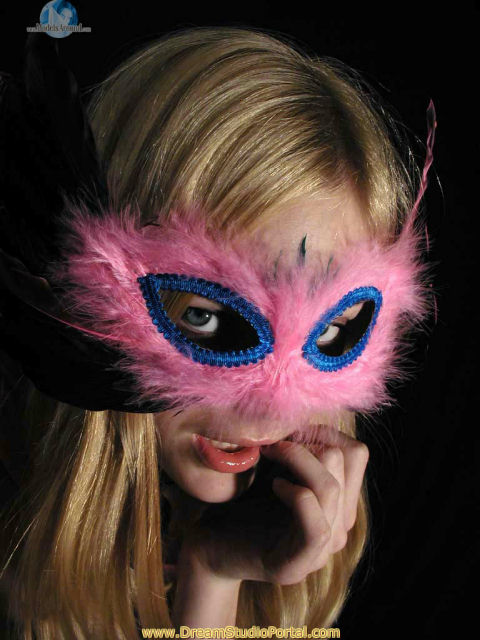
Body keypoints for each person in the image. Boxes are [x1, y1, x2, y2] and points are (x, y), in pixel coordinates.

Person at [0, 26, 434, 637]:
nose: (268, 411)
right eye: (206, 317)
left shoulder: (286, 530)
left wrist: (214, 572)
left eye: (332, 332)